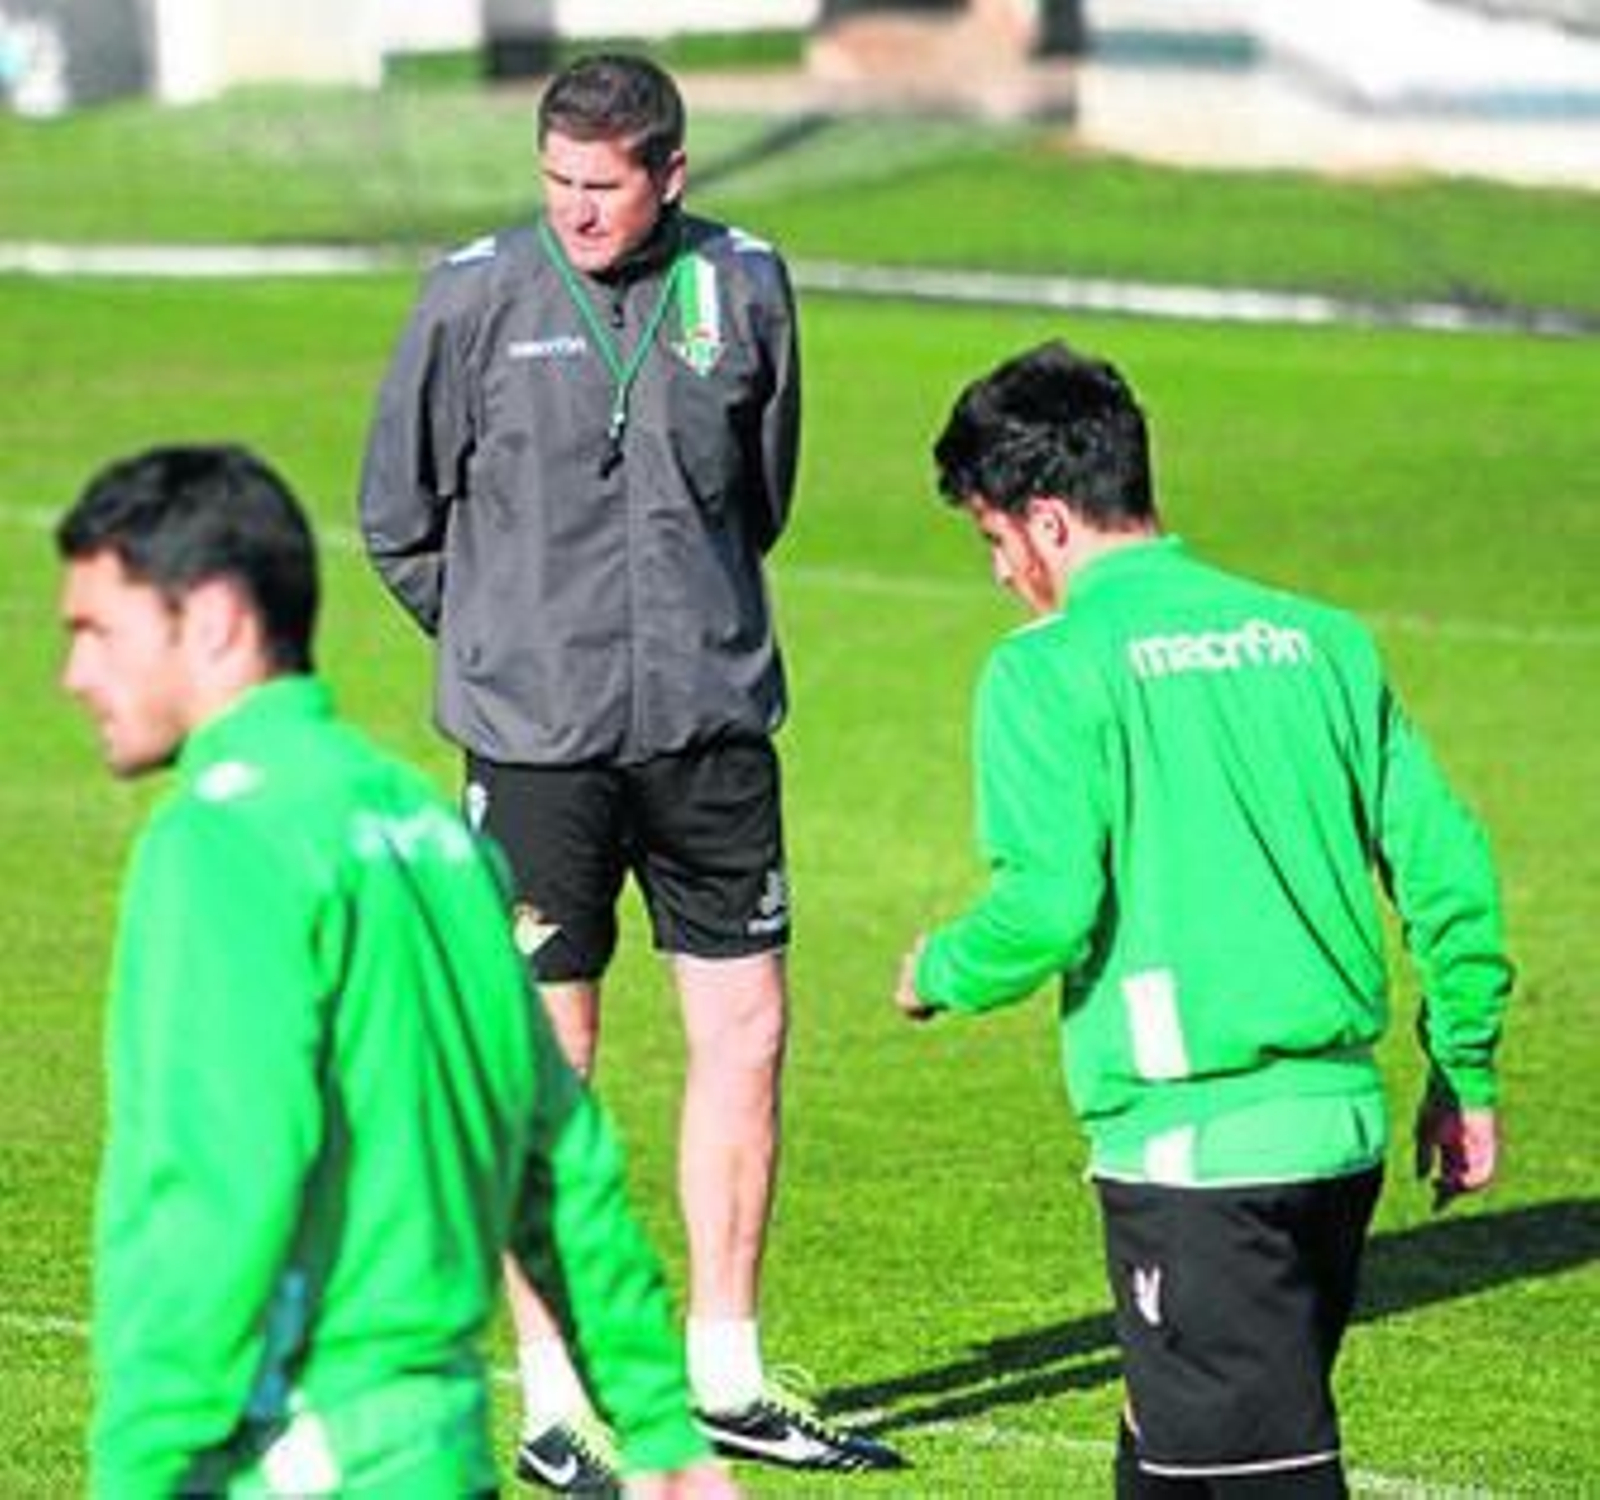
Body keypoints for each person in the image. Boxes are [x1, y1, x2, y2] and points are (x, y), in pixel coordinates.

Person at [358, 51, 901, 1489]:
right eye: (557, 184)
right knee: (556, 1061)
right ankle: (557, 1404)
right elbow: (396, 518)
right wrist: (502, 643)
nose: (576, 212)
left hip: (712, 729)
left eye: (603, 187)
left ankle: (725, 1372)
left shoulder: (748, 284)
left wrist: (689, 625)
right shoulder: (471, 293)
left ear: (672, 176)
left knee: (752, 1033)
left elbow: (761, 492)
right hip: (537, 749)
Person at [58, 444, 738, 1499]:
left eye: (98, 631)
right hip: (437, 1454)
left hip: (282, 1455)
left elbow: (215, 1180)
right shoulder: (427, 826)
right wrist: (653, 1420)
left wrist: (136, 1465)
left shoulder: (219, 842)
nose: (76, 675)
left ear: (215, 620)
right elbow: (558, 1154)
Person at [893, 342, 1512, 1497]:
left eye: (994, 541)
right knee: (1171, 1454)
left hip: (1193, 1158)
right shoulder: (1319, 640)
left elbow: (1047, 907)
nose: (999, 574)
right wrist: (1463, 1071)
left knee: (1253, 1475)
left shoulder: (1045, 670)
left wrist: (942, 969)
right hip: (1338, 1139)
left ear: (1047, 521)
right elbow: (1450, 871)